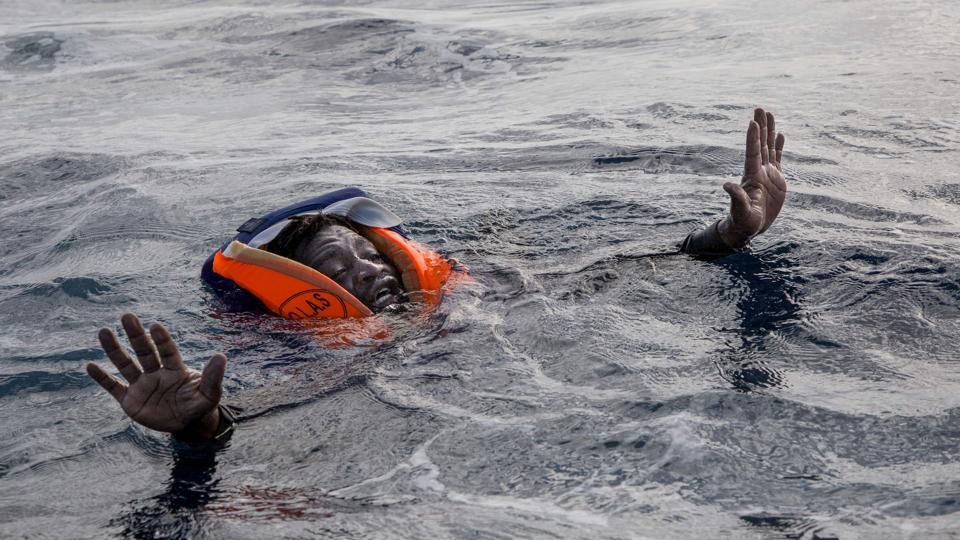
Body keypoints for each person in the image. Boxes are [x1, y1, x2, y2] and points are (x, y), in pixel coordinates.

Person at [85, 107, 787, 446]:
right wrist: (200, 424)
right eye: (335, 267)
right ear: (306, 297)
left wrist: (727, 235)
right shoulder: (340, 365)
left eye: (366, 253)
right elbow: (256, 410)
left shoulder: (483, 296)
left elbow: (613, 272)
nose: (364, 269)